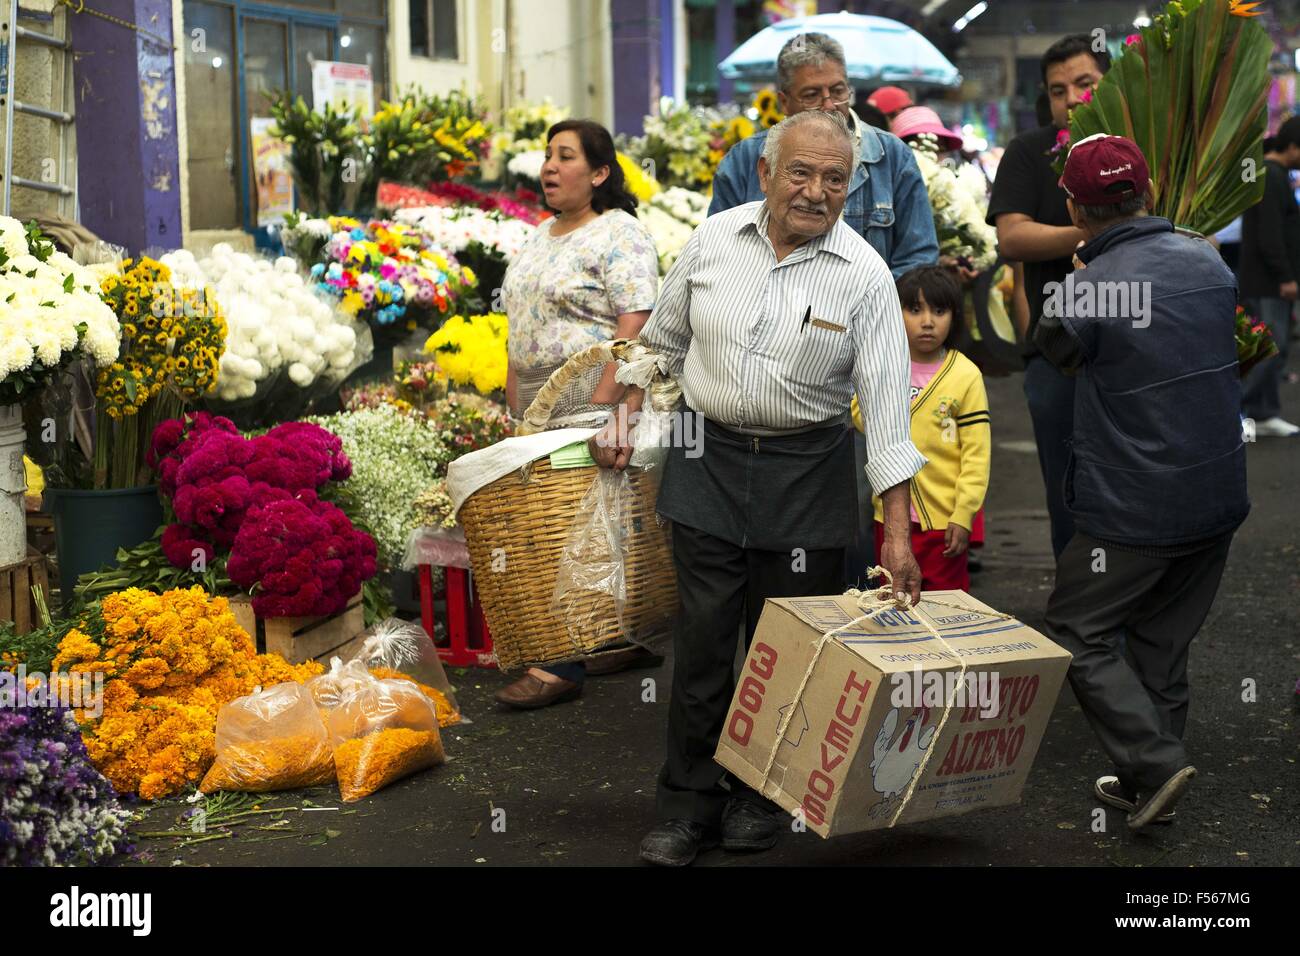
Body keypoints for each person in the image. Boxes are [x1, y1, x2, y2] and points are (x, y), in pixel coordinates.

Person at [590, 110, 925, 866]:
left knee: (787, 649)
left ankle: (761, 798)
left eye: (834, 179)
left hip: (807, 472)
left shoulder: (865, 275)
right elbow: (661, 342)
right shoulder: (715, 240)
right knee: (705, 644)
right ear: (766, 173)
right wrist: (625, 412)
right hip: (706, 459)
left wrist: (897, 533)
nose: (815, 191)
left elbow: (887, 411)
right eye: (800, 173)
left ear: (850, 186)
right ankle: (685, 805)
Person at [1034, 134, 1249, 829]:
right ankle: (1148, 790)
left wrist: (1077, 277)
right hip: (1217, 495)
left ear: (1075, 205)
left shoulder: (1089, 289)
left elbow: (1057, 349)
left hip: (1135, 505)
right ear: (1148, 193)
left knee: (1075, 627)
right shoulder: (1209, 262)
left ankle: (1152, 767)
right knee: (1162, 642)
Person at [494, 119, 661, 709]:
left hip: (593, 394)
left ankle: (560, 664)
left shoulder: (620, 234)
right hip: (539, 400)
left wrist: (606, 406)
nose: (549, 166)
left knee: (573, 529)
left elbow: (636, 322)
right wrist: (515, 400)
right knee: (564, 522)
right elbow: (520, 322)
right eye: (546, 155)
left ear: (599, 173)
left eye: (565, 156)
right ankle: (615, 638)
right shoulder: (540, 235)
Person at [986, 34, 1110, 559]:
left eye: (1086, 84)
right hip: (1054, 352)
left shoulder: (1141, 144)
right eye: (1059, 90)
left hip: (1137, 344)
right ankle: (1077, 600)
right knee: (1066, 487)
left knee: (1131, 478)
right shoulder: (1029, 152)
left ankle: (1130, 600)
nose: (1073, 98)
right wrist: (1098, 234)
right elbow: (1012, 237)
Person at [710, 32, 938, 279]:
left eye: (838, 91)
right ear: (784, 103)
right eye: (811, 95)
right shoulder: (744, 160)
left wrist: (861, 304)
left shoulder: (892, 157)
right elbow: (719, 252)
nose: (829, 105)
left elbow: (918, 261)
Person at [852, 265, 989, 591]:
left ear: (955, 315)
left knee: (945, 607)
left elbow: (977, 456)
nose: (927, 321)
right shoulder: (884, 364)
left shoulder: (965, 375)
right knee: (891, 598)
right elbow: (861, 420)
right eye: (914, 309)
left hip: (943, 520)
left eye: (939, 310)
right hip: (889, 516)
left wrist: (964, 513)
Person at [1239, 118, 1300, 437]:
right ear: (1292, 147)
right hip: (1268, 282)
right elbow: (1270, 236)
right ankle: (1242, 414)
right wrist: (1286, 276)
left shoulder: (1269, 175)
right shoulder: (1271, 177)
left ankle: (1262, 414)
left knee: (1271, 350)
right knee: (1266, 350)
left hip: (1270, 282)